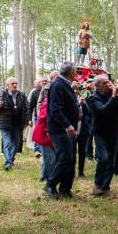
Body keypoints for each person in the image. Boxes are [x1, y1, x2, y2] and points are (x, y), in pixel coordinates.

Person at [44, 62, 80, 199]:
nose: (77, 73)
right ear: (71, 73)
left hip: (68, 129)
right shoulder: (58, 85)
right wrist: (67, 125)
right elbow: (55, 109)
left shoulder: (65, 84)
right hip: (60, 129)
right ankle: (50, 184)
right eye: (76, 71)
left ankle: (65, 189)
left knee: (70, 159)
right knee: (65, 157)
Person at [87, 74, 118, 196]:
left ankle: (105, 186)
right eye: (104, 83)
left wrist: (117, 95)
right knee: (103, 158)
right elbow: (102, 111)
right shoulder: (93, 98)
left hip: (113, 132)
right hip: (100, 132)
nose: (108, 85)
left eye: (109, 82)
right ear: (97, 86)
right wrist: (113, 97)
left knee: (112, 162)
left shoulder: (112, 96)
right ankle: (97, 184)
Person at [0, 77, 29, 171]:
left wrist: (27, 120)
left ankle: (10, 159)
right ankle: (8, 163)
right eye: (13, 83)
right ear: (8, 85)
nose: (15, 85)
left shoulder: (21, 95)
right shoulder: (1, 95)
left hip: (17, 124)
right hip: (5, 124)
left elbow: (27, 108)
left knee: (16, 144)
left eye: (16, 83)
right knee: (7, 143)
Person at [72, 81, 90, 178]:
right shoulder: (69, 100)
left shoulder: (82, 99)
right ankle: (72, 171)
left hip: (82, 130)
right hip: (73, 130)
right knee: (72, 152)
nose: (76, 91)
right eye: (74, 89)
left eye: (77, 89)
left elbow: (88, 113)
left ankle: (81, 171)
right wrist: (78, 105)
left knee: (82, 151)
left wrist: (83, 104)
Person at [27, 77, 48, 159]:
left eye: (46, 81)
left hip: (48, 116)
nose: (44, 82)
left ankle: (44, 149)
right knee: (38, 132)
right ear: (40, 83)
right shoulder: (35, 92)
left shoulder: (50, 90)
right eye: (43, 81)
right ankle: (37, 150)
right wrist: (29, 119)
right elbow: (31, 107)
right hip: (38, 116)